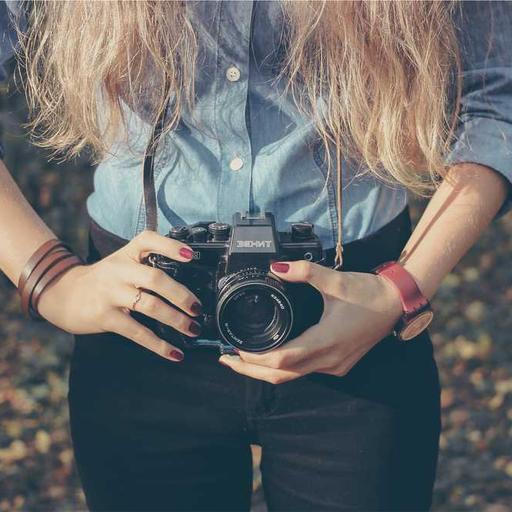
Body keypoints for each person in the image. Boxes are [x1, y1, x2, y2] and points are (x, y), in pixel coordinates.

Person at [1, 1, 511, 510]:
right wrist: (51, 281)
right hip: (143, 325)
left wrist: (401, 287)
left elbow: (498, 97)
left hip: (355, 316)